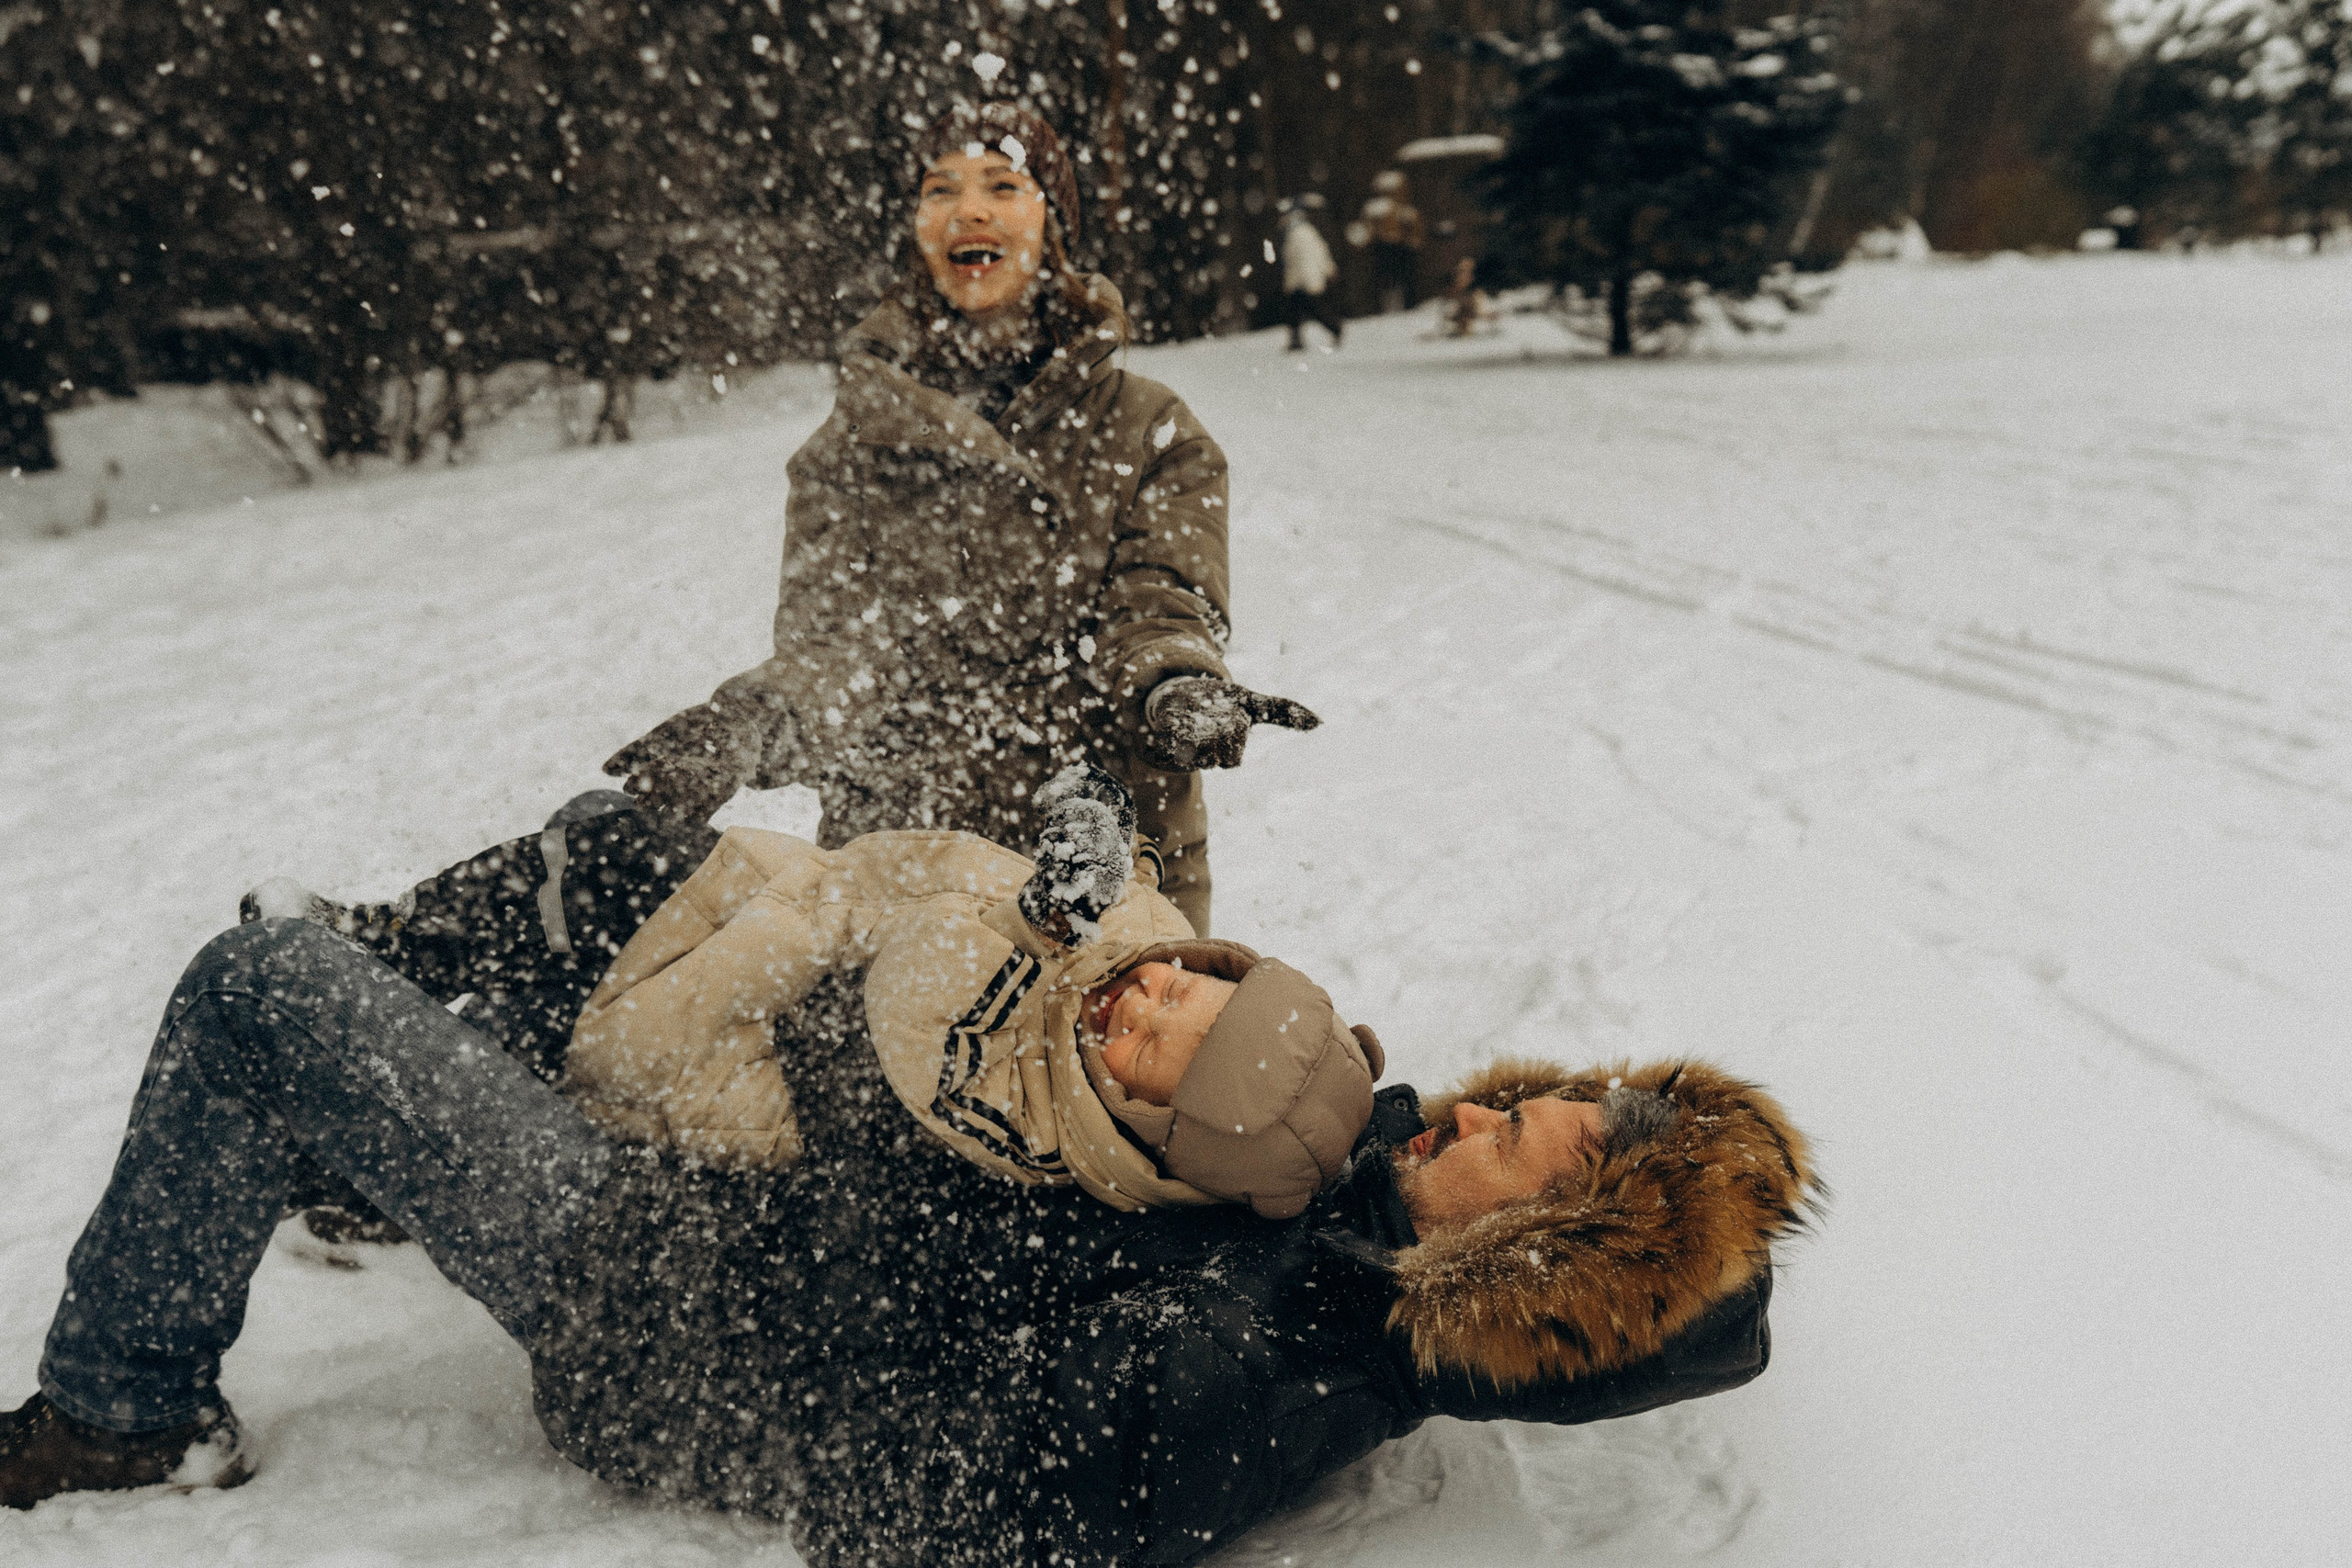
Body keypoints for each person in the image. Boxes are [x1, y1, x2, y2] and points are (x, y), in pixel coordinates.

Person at [3, 798, 1819, 1564]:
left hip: (665, 1307)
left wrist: (847, 1171)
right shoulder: (1341, 1174)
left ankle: (125, 1408)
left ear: (1534, 1267)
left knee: (262, 989)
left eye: (1526, 1149)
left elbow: (918, 1508)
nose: (1490, 1112)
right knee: (629, 855)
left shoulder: (1265, 1359)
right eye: (1540, 1098)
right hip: (752, 1205)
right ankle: (365, 1142)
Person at [605, 102, 1316, 937]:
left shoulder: (1150, 428)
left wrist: (1173, 685)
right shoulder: (852, 447)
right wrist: (750, 722)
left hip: (1102, 864)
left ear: (1054, 225)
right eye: (940, 189)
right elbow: (838, 653)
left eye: (1002, 185)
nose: (968, 209)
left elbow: (1159, 606)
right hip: (901, 866)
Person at [565, 764, 1384, 1219]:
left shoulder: (1037, 1125)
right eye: (1174, 992)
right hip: (792, 901)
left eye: (1146, 1049)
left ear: (1143, 1120)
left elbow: (912, 1006)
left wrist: (1039, 924)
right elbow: (1138, 891)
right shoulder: (1152, 939)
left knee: (568, 915)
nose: (1136, 1005)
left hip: (716, 1042)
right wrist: (1110, 829)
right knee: (589, 843)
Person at [1280, 196, 1345, 352]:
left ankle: (1335, 328)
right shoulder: (1304, 231)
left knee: (1313, 309)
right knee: (1298, 311)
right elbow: (1321, 251)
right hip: (1306, 278)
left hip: (1304, 279)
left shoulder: (1298, 233)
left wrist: (1296, 281)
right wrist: (1329, 269)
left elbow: (1301, 259)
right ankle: (1297, 339)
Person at [1358, 169, 1426, 312]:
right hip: (1384, 248)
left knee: (1402, 281)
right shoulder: (1377, 209)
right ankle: (1387, 308)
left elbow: (1415, 231)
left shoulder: (1405, 211)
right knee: (1386, 282)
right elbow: (1366, 230)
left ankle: (1406, 307)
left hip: (1401, 249)